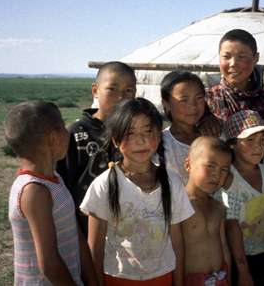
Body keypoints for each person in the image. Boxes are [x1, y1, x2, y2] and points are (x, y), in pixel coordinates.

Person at [80, 98, 194, 285]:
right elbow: (95, 246)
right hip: (117, 278)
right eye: (130, 133)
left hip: (162, 277)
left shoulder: (172, 182)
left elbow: (177, 242)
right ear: (116, 140)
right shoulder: (104, 185)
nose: (140, 141)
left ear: (158, 136)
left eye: (148, 132)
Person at [6, 101, 97, 285]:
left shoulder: (53, 177)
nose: (67, 132)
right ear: (54, 138)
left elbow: (73, 230)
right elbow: (49, 264)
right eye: (63, 126)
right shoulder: (34, 191)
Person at [57, 61, 137, 236]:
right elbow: (61, 186)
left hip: (128, 231)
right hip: (83, 229)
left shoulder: (137, 132)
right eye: (112, 89)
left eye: (128, 91)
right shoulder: (76, 134)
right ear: (95, 90)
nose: (121, 97)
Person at [220, 110, 264, 286]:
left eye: (263, 140)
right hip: (239, 260)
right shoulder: (229, 180)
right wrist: (243, 271)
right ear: (232, 144)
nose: (258, 146)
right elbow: (232, 227)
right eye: (249, 140)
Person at [205, 29, 264, 136]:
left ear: (255, 58)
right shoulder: (206, 100)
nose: (233, 64)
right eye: (226, 57)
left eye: (241, 57)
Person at [182, 136, 233, 286]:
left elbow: (224, 246)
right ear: (188, 165)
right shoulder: (179, 205)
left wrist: (228, 279)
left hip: (220, 278)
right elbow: (175, 252)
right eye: (210, 166)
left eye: (224, 169)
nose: (217, 174)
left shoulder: (218, 207)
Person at [160, 70, 213, 185]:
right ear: (166, 104)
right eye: (184, 100)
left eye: (199, 98)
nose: (193, 106)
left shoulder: (212, 134)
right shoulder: (161, 144)